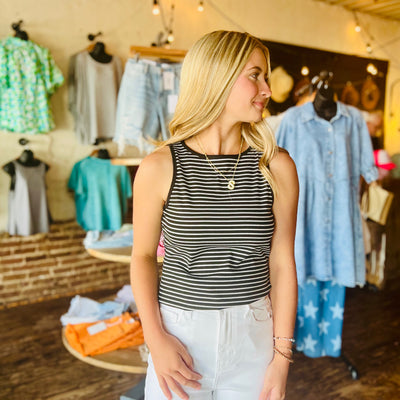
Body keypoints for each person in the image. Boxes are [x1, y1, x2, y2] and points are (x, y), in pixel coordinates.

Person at [131, 30, 299, 400]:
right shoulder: (160, 167)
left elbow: (283, 263)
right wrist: (154, 337)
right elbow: (142, 257)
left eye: (265, 77)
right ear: (216, 76)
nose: (267, 89)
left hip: (254, 336)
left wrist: (281, 357)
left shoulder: (277, 166)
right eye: (255, 75)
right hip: (180, 335)